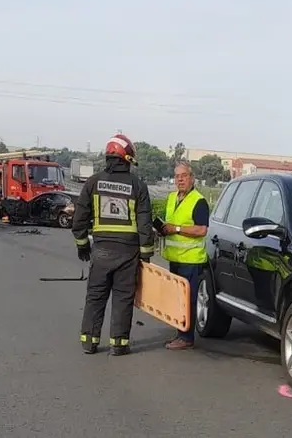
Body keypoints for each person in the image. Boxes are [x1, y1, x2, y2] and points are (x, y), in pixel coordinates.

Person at [72, 134, 155, 356]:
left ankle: (89, 341)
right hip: (128, 253)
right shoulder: (138, 185)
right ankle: (119, 343)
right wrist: (146, 255)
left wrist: (82, 245)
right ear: (126, 158)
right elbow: (144, 222)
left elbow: (79, 218)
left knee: (96, 296)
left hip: (101, 251)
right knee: (123, 297)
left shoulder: (93, 182)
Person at [159, 159, 210, 350]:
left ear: (192, 178)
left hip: (191, 259)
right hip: (175, 258)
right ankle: (181, 332)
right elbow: (170, 223)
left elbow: (201, 230)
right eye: (177, 176)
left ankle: (186, 337)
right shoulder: (172, 198)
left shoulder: (199, 201)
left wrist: (177, 228)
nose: (180, 180)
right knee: (177, 298)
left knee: (187, 299)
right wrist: (164, 229)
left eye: (184, 176)